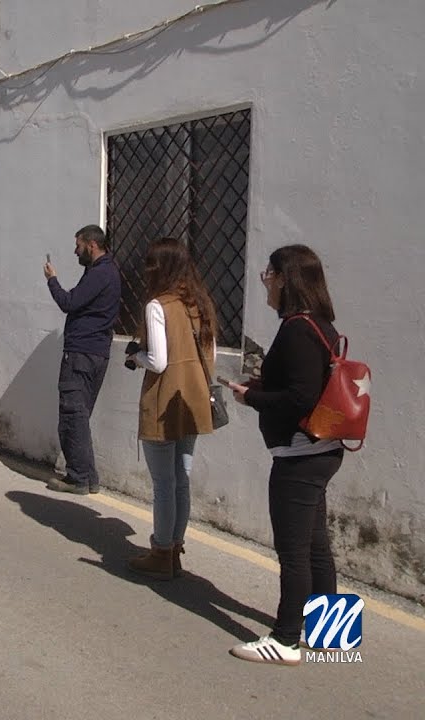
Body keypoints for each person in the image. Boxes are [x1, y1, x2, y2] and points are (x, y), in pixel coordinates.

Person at [224, 245, 345, 666]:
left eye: (268, 275)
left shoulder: (297, 328)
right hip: (322, 450)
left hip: (299, 455)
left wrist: (250, 395)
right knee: (315, 547)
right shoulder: (322, 325)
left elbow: (299, 396)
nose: (266, 284)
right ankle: (333, 634)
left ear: (285, 278)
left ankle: (286, 639)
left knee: (294, 552)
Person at [123, 238, 218, 580]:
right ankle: (175, 547)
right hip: (193, 402)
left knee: (164, 483)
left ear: (158, 267)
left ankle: (161, 552)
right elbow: (211, 356)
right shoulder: (201, 304)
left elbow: (158, 361)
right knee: (182, 481)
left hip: (164, 403)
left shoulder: (157, 305)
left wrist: (135, 356)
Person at [44, 225, 122, 495]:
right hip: (93, 352)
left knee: (72, 413)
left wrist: (52, 280)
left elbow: (69, 302)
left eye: (78, 246)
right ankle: (88, 476)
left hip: (82, 354)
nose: (75, 251)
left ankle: (78, 477)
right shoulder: (103, 272)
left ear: (91, 245)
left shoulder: (100, 273)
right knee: (79, 415)